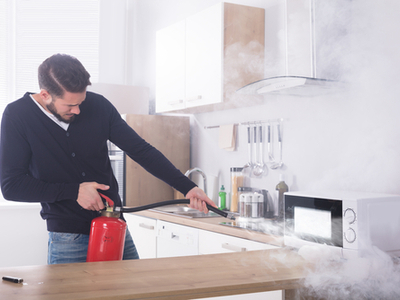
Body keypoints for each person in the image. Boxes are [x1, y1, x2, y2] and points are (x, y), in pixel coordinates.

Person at [0, 53, 215, 264]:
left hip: (113, 224)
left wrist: (188, 187)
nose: (77, 110)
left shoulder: (99, 105)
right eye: (69, 106)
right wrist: (73, 191)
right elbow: (12, 186)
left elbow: (140, 150)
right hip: (68, 235)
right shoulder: (17, 115)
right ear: (45, 94)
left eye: (81, 102)